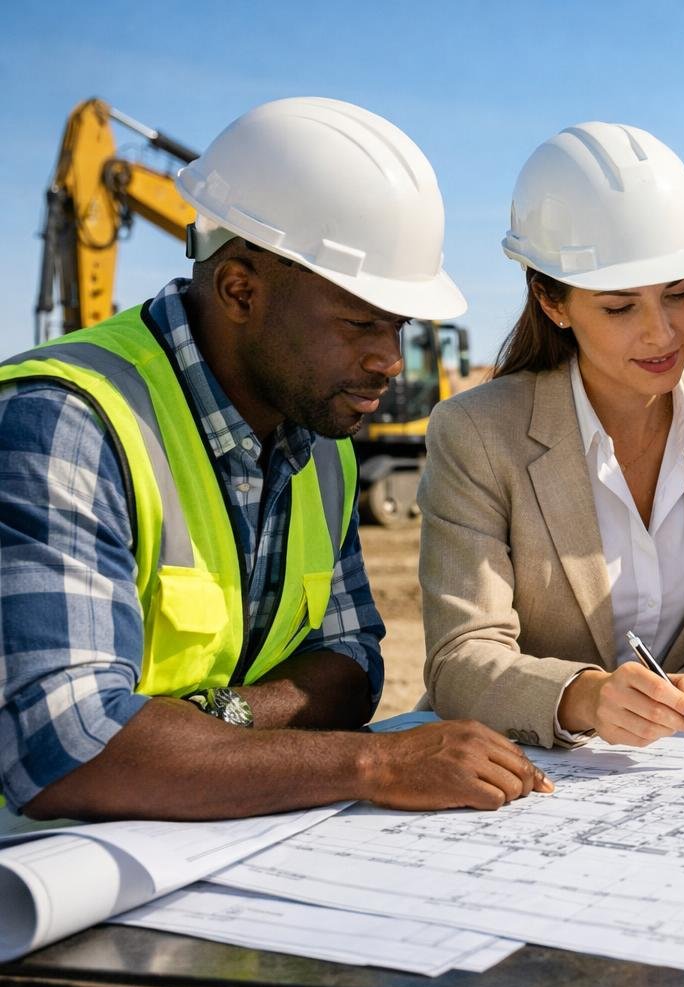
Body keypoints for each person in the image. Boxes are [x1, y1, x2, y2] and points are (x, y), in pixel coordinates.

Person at [0, 98, 552, 822]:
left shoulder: (321, 443)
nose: (387, 360)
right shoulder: (68, 421)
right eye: (360, 323)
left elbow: (353, 666)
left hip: (204, 852)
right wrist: (374, 762)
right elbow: (67, 747)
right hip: (44, 881)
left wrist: (209, 726)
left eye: (399, 327)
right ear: (239, 289)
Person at [417, 122, 684, 750]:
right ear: (552, 302)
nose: (662, 333)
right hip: (532, 767)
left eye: (680, 294)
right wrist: (585, 698)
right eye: (620, 307)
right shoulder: (476, 432)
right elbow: (461, 655)